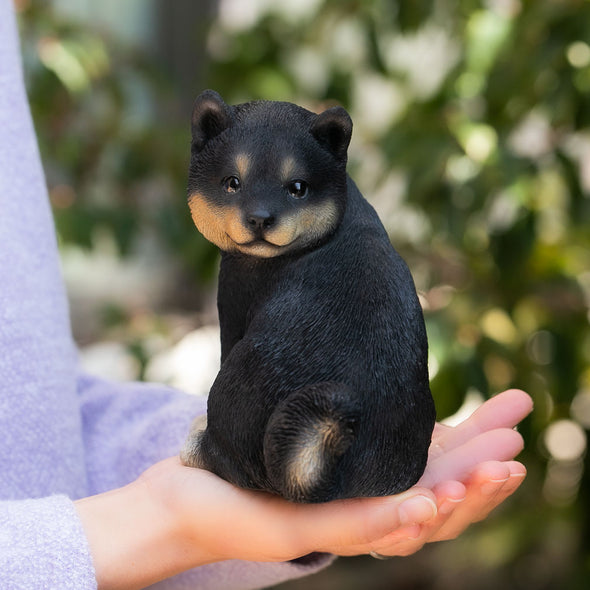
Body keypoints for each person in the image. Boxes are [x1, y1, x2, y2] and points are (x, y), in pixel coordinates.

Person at [0, 1, 533, 588]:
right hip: (378, 455)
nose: (257, 214)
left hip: (342, 442)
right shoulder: (334, 238)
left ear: (334, 158)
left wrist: (188, 495)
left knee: (270, 355)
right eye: (232, 184)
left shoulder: (330, 263)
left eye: (295, 189)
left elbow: (44, 407)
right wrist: (158, 521)